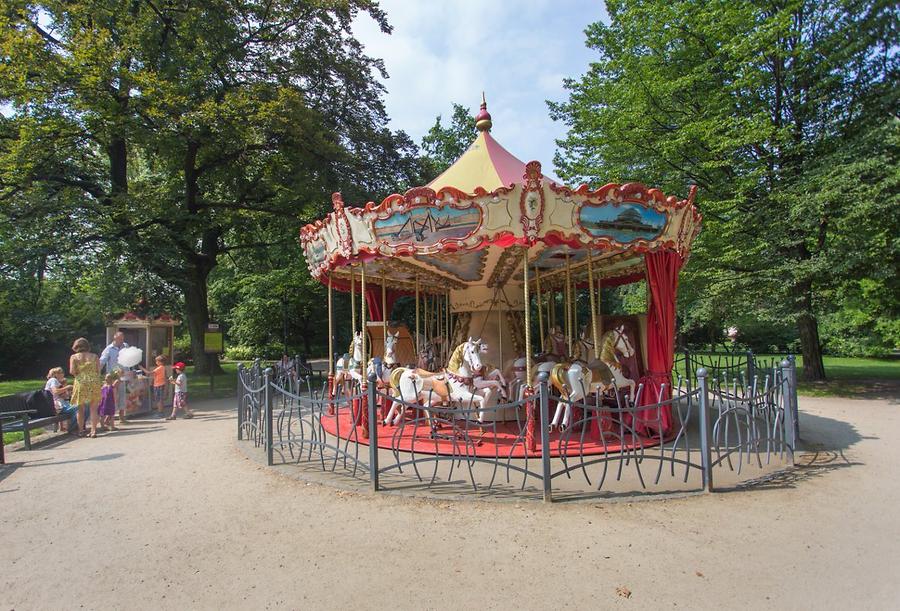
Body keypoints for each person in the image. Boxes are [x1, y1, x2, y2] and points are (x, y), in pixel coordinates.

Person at [69, 337, 102, 437]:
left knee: (80, 408)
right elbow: (98, 370)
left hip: (81, 382)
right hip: (93, 381)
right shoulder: (94, 356)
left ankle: (81, 430)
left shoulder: (74, 357)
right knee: (93, 408)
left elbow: (72, 371)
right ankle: (93, 431)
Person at [99, 331, 130, 424]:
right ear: (115, 338)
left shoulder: (125, 346)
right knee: (112, 398)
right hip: (113, 377)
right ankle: (107, 419)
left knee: (122, 396)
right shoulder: (109, 349)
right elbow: (102, 361)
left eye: (122, 339)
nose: (121, 341)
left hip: (123, 375)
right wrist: (97, 372)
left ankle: (121, 416)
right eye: (120, 339)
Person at [44, 367, 77, 433]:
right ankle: (72, 428)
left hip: (59, 405)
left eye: (62, 372)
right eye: (61, 373)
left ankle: (75, 427)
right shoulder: (53, 380)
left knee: (80, 406)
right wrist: (67, 387)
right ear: (55, 374)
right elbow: (55, 392)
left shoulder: (55, 382)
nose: (63, 374)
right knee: (79, 407)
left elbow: (62, 395)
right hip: (57, 406)